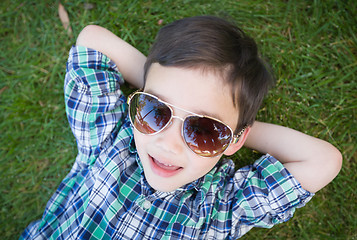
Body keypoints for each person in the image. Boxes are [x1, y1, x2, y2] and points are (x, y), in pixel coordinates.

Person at [20, 16, 342, 239]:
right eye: (155, 110)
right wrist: (159, 83)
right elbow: (93, 41)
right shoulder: (110, 139)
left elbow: (323, 160)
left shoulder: (221, 208)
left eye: (204, 131)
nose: (167, 144)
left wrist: (235, 133)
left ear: (234, 140)